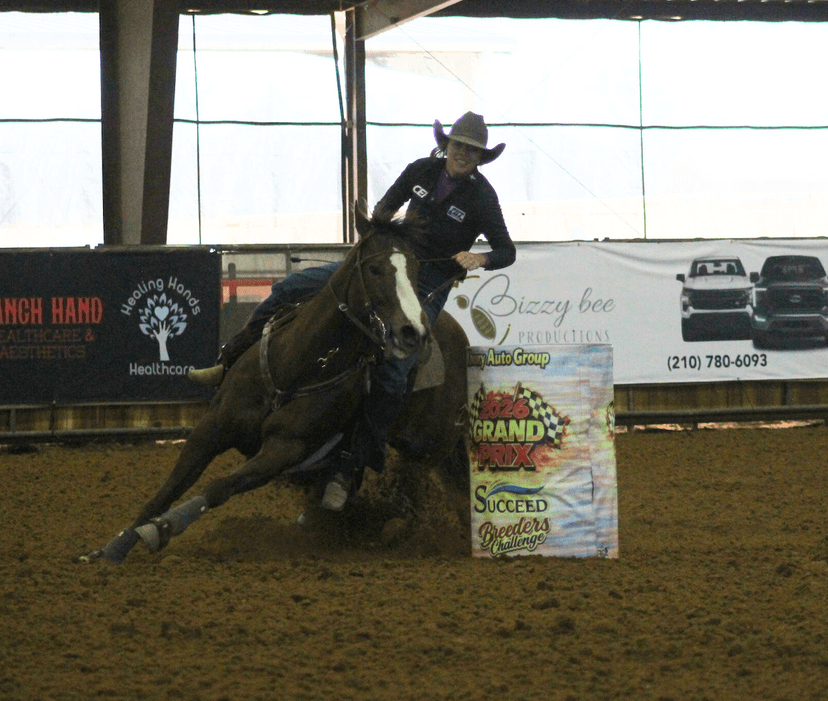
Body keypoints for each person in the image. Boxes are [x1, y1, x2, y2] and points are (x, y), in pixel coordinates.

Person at [189, 111, 516, 510]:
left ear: (480, 158)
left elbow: (506, 251)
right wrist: (378, 229)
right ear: (446, 144)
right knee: (288, 288)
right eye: (459, 145)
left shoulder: (483, 197)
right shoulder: (420, 171)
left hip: (427, 284)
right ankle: (230, 361)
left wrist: (478, 259)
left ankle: (353, 460)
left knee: (395, 369)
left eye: (472, 150)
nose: (463, 154)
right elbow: (385, 207)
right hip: (384, 265)